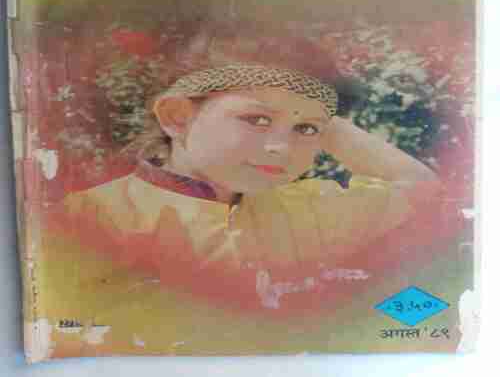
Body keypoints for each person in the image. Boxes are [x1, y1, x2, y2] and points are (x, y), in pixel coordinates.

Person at [40, 62, 443, 358]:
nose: (281, 148)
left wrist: (323, 118)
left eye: (305, 131)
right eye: (257, 118)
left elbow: (421, 188)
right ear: (177, 117)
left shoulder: (307, 209)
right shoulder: (84, 218)